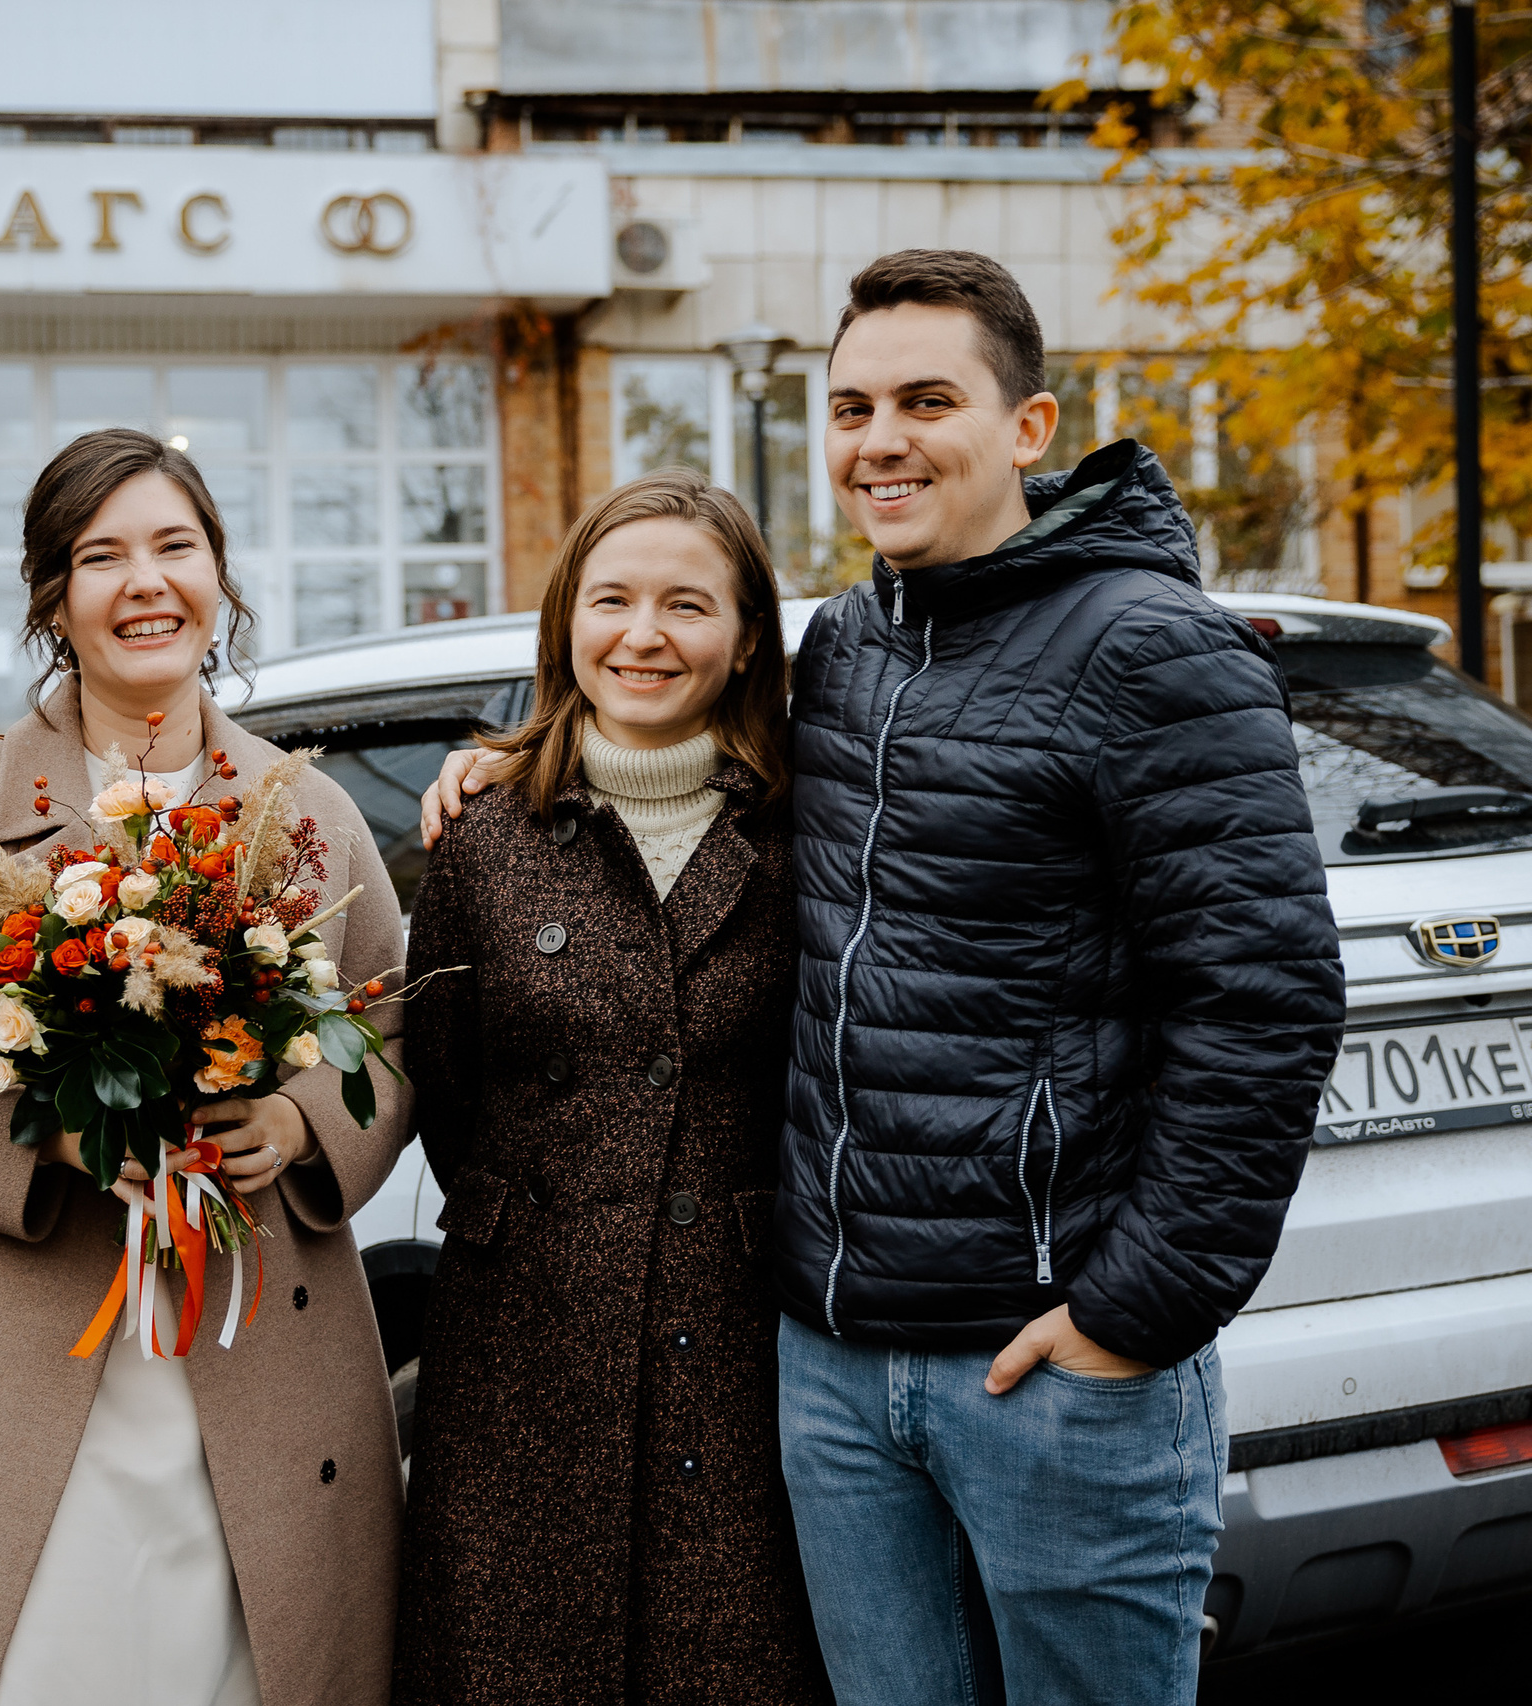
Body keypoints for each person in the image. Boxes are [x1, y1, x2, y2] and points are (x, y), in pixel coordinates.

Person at [423, 249, 1345, 1705]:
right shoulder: (851, 648)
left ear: (1028, 429)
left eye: (928, 399)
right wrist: (506, 752)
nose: (881, 439)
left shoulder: (1154, 649)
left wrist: (1136, 1310)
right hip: (837, 1369)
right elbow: (659, 699)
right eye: (852, 407)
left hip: (1049, 1368)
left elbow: (1265, 1003)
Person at [0, 427, 413, 1706]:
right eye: (102, 554)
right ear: (54, 597)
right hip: (41, 1341)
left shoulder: (304, 812)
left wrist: (304, 1123)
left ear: (220, 579)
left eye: (175, 545)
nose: (144, 580)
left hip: (267, 1343)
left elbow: (392, 1017)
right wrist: (33, 1137)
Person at [395, 469, 829, 1706]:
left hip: (740, 1346)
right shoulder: (481, 833)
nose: (643, 636)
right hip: (518, 1345)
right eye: (612, 599)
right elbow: (446, 1088)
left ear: (746, 635)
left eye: (686, 604)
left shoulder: (805, 829)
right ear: (565, 620)